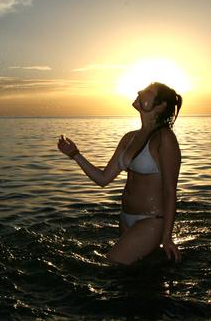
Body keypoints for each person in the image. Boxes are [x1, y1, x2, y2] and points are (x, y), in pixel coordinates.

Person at [58, 82, 183, 265]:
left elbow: (170, 191)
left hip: (152, 221)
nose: (140, 91)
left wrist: (167, 237)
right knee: (134, 277)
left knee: (111, 263)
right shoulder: (129, 138)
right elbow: (103, 179)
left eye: (148, 91)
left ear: (161, 105)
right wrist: (75, 155)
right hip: (125, 217)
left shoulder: (164, 138)